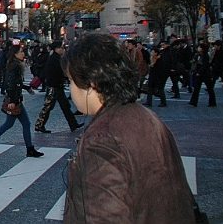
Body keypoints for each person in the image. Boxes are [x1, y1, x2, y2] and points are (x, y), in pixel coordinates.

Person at [61, 33, 197, 223]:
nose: (71, 89)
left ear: (91, 83)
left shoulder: (102, 138)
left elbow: (106, 215)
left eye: (71, 81)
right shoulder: (146, 117)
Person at [0, 43, 44, 157]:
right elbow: (11, 83)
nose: (23, 53)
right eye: (21, 51)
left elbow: (15, 83)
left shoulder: (14, 64)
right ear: (15, 54)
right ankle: (29, 149)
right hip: (14, 99)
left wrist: (25, 87)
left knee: (10, 124)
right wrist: (13, 101)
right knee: (25, 123)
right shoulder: (14, 65)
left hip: (14, 98)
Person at [34, 41, 83, 133]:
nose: (62, 49)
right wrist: (66, 77)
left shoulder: (55, 57)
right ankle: (39, 124)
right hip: (54, 86)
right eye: (61, 47)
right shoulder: (55, 58)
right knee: (48, 106)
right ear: (57, 48)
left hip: (57, 85)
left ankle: (73, 124)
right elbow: (59, 71)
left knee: (65, 106)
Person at [189, 43, 216, 107]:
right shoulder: (198, 55)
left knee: (209, 88)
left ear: (202, 49)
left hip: (205, 74)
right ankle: (193, 101)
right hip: (199, 73)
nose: (198, 48)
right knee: (196, 88)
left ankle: (212, 102)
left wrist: (199, 72)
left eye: (199, 47)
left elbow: (205, 65)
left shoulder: (205, 56)